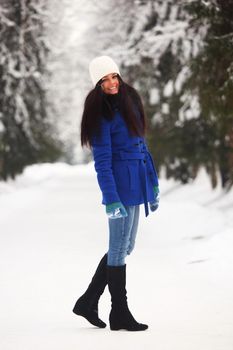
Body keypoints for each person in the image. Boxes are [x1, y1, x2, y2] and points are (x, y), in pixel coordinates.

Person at [72, 56, 159, 331]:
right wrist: (111, 199)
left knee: (125, 246)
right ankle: (119, 312)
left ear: (119, 76)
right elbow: (103, 163)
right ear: (97, 85)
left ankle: (88, 300)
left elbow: (142, 149)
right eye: (104, 80)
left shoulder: (130, 102)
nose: (111, 83)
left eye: (113, 77)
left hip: (136, 183)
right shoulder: (101, 115)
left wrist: (153, 183)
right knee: (119, 249)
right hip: (120, 188)